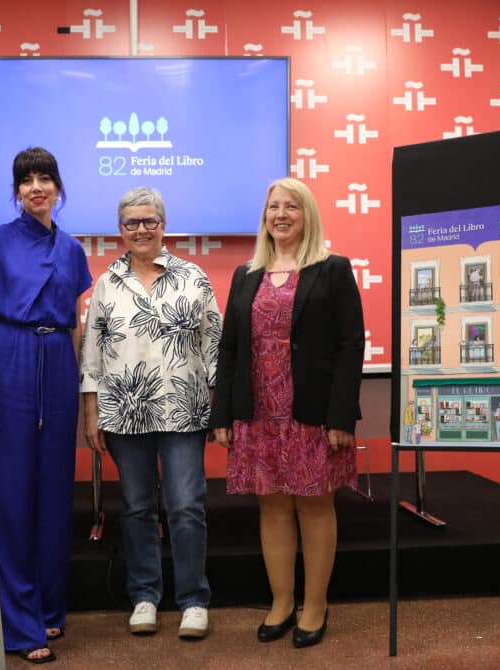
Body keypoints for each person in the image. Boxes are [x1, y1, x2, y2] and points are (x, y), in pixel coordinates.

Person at [209, 177, 365, 649]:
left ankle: (314, 606)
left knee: (315, 507)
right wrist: (223, 415)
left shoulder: (332, 269)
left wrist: (341, 417)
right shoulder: (245, 275)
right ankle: (281, 602)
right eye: (273, 207)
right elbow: (229, 348)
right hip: (259, 414)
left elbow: (350, 345)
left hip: (312, 413)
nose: (280, 214)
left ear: (307, 215)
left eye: (291, 207)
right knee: (272, 505)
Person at [80, 187, 221, 640]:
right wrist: (91, 413)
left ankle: (194, 600)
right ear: (120, 230)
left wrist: (221, 411)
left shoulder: (194, 278)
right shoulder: (106, 283)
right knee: (137, 508)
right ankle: (144, 595)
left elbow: (213, 347)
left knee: (185, 508)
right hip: (124, 413)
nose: (140, 230)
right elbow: (92, 356)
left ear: (163, 225)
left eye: (149, 221)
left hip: (184, 410)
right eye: (131, 223)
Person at [0, 146, 91, 664]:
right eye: (27, 179)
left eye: (45, 177)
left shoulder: (71, 249)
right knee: (12, 494)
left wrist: (78, 383)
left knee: (53, 493)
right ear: (17, 190)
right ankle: (19, 625)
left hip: (58, 362)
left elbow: (72, 320)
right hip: (11, 358)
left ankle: (49, 609)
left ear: (59, 187)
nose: (36, 187)